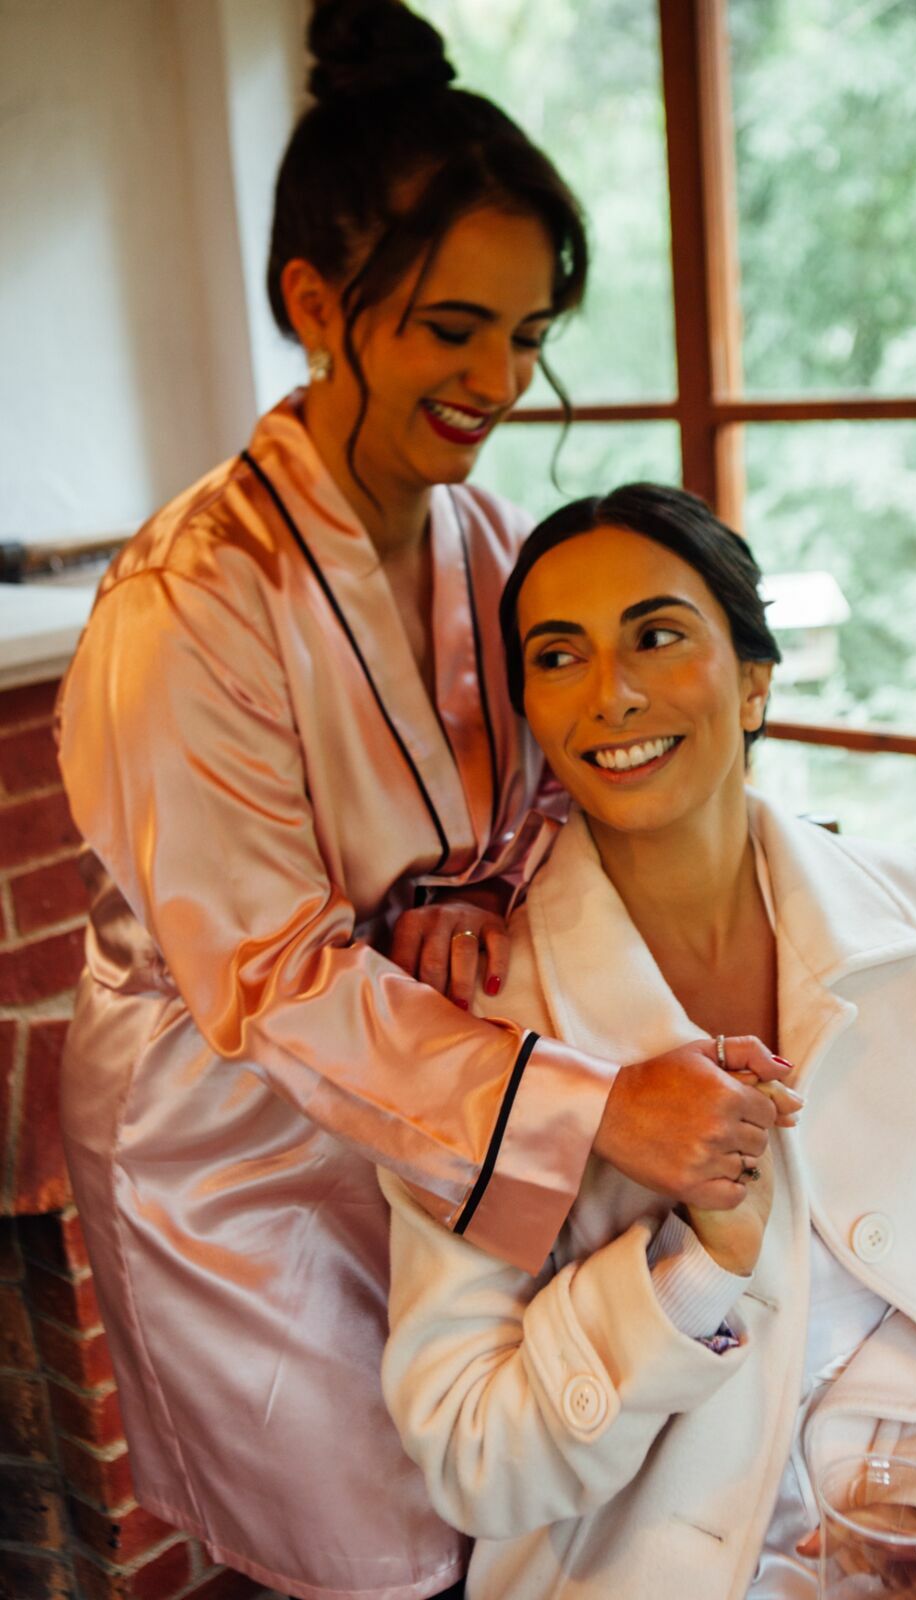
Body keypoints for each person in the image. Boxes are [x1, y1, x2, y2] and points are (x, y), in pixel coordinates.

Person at [55, 8, 795, 1599]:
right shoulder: (186, 605)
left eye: (527, 335)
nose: (497, 380)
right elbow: (267, 980)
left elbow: (537, 806)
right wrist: (590, 1107)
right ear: (318, 304)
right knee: (369, 1544)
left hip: (439, 1089)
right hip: (234, 1132)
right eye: (452, 328)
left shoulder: (478, 538)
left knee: (503, 1487)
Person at [381, 482, 916, 1600]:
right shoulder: (472, 1020)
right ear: (528, 715)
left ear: (753, 679)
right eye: (558, 657)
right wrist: (688, 1270)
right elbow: (469, 1449)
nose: (611, 692)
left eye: (656, 634)